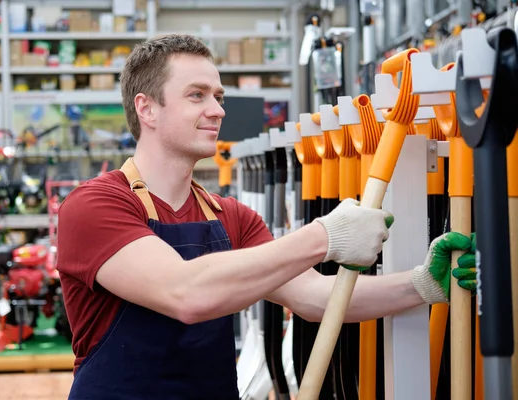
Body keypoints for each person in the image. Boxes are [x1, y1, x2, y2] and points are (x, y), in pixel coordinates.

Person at [56, 34, 477, 399]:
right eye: (197, 95)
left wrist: (421, 284)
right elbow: (184, 293)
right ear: (146, 109)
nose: (218, 110)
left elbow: (314, 297)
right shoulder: (95, 206)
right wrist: (323, 236)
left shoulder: (231, 217)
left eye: (218, 97)